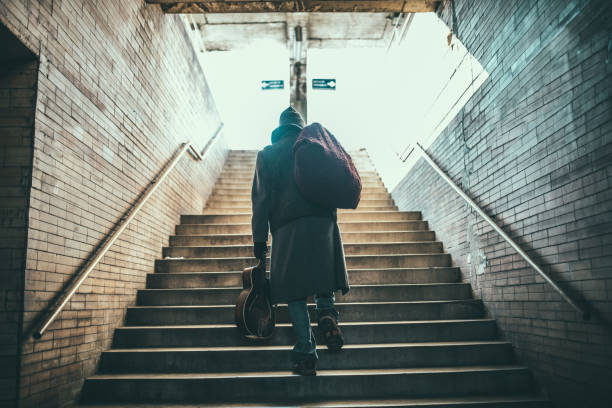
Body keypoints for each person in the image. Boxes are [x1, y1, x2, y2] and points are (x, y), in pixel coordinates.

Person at [251, 107, 350, 376]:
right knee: (322, 274)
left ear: (279, 129)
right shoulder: (314, 146)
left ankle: (306, 351)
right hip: (323, 225)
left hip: (287, 228)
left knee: (294, 291)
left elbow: (260, 202)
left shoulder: (268, 155)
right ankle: (326, 311)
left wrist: (259, 241)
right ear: (300, 128)